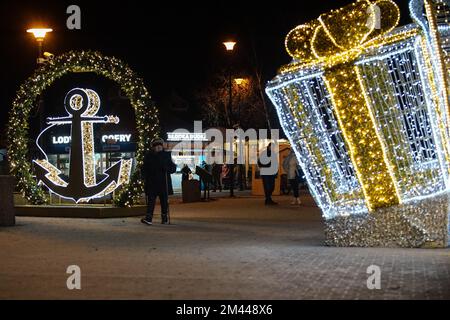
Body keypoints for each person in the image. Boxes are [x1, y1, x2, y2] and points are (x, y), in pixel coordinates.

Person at [141, 138, 177, 225]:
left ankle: (164, 218)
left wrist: (167, 168)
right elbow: (144, 168)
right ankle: (149, 218)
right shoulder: (148, 156)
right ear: (153, 147)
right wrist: (143, 176)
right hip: (152, 183)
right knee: (151, 201)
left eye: (160, 145)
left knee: (164, 201)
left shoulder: (167, 155)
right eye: (156, 146)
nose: (158, 147)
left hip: (163, 182)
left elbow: (173, 168)